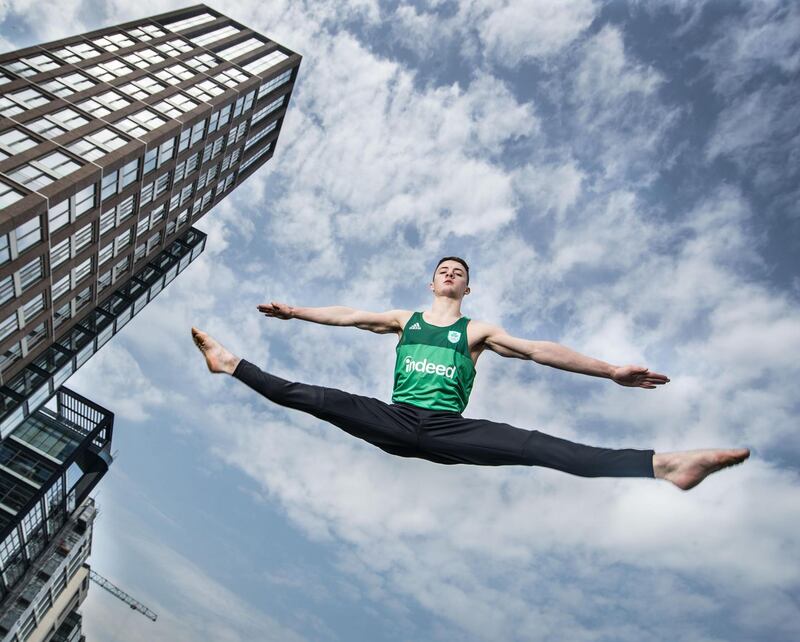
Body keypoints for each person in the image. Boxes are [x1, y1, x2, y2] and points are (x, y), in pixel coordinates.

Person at [191, 257, 749, 490]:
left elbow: (538, 351)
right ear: (432, 283)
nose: (450, 274)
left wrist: (609, 372)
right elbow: (347, 315)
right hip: (395, 419)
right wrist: (295, 311)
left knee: (538, 445)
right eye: (442, 270)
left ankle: (665, 465)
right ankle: (229, 362)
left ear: (466, 287)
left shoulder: (478, 331)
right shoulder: (402, 319)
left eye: (458, 272)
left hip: (446, 430)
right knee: (312, 395)